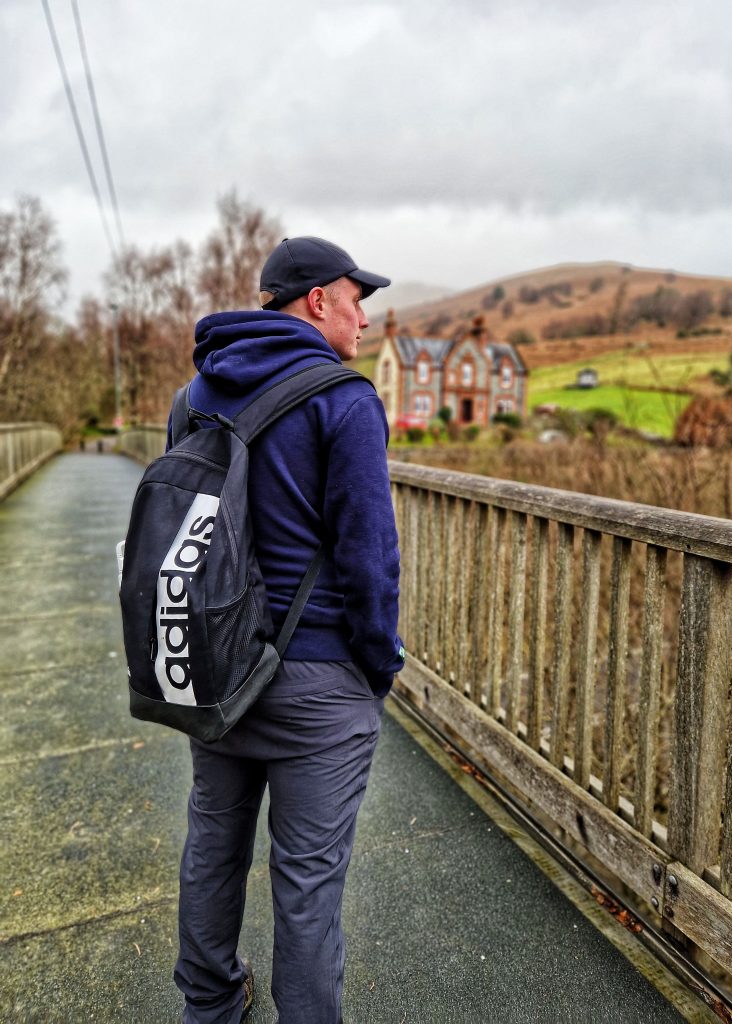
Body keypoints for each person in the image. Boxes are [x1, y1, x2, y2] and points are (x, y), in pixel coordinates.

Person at [172, 236, 406, 1024]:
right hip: (319, 684)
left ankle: (209, 1009)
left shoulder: (193, 396)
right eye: (355, 297)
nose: (364, 316)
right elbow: (369, 559)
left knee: (213, 847)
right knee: (306, 889)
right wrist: (376, 670)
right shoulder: (345, 401)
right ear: (316, 301)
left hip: (218, 672)